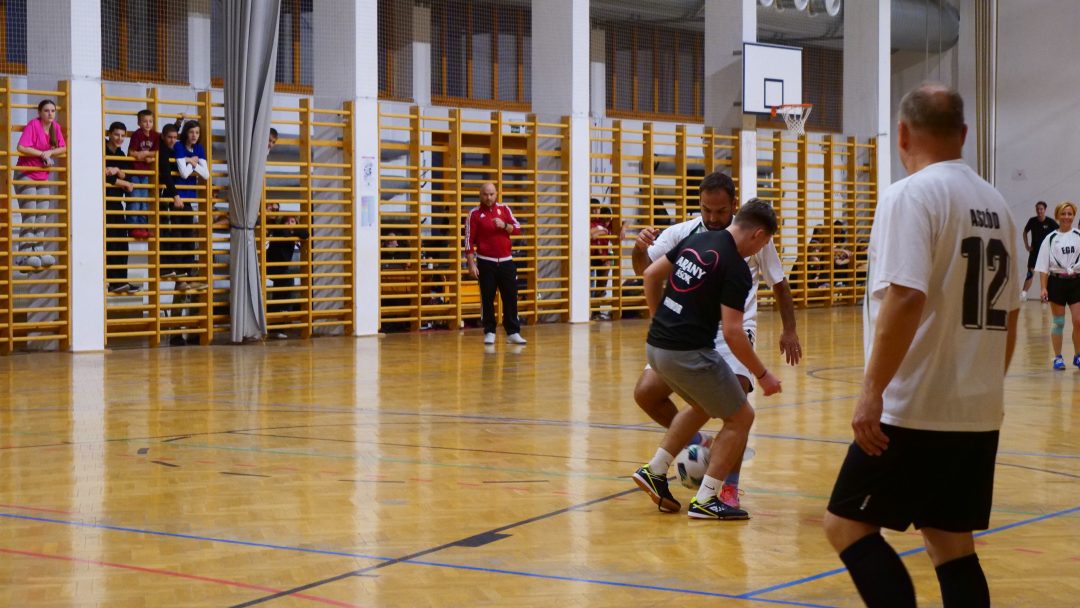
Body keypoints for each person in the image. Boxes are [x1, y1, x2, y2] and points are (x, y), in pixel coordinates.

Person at [823, 83, 1020, 608]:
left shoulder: (911, 194)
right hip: (976, 411)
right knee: (950, 543)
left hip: (914, 409)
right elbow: (1011, 316)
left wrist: (872, 391)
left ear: (903, 134)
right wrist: (984, 390)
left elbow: (906, 296)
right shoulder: (998, 204)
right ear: (964, 134)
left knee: (846, 526)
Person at [631, 172, 802, 511]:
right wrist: (764, 374)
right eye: (706, 210)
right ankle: (706, 491)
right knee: (737, 414)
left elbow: (652, 275)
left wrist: (659, 319)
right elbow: (645, 269)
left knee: (714, 400)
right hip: (696, 339)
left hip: (676, 336)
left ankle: (692, 478)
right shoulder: (718, 254)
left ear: (734, 207)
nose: (712, 217)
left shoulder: (710, 242)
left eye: (720, 211)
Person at [465, 182, 526, 345]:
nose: (489, 197)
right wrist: (471, 264)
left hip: (506, 261)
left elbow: (518, 229)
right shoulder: (474, 214)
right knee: (487, 298)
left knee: (511, 297)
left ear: (496, 194)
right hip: (486, 263)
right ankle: (489, 331)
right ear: (480, 195)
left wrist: (505, 225)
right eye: (485, 194)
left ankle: (513, 332)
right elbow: (468, 241)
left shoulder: (505, 209)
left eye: (491, 194)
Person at [14, 99, 66, 270]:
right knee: (30, 215)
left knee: (42, 215)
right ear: (39, 113)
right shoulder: (33, 125)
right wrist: (42, 154)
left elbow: (63, 147)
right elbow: (21, 147)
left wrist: (50, 152)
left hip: (42, 177)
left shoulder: (55, 127)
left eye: (52, 110)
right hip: (26, 174)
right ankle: (24, 255)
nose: (50, 114)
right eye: (46, 110)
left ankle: (38, 250)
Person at [1034, 201, 1080, 370]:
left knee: (1078, 321)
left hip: (1076, 282)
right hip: (1057, 282)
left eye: (1070, 214)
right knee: (1059, 322)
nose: (1066, 217)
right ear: (1057, 216)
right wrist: (1043, 288)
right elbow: (1043, 266)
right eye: (1063, 213)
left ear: (1074, 216)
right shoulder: (1050, 239)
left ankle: (1078, 355)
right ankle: (1058, 357)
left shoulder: (1078, 236)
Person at [170, 120, 210, 292]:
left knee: (189, 239)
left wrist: (191, 162)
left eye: (197, 132)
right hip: (177, 198)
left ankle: (188, 276)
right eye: (192, 132)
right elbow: (184, 174)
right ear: (186, 132)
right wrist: (193, 163)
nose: (194, 135)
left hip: (190, 199)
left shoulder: (199, 149)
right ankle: (180, 279)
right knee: (179, 238)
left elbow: (206, 175)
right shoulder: (179, 146)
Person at [105, 121, 137, 294]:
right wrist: (123, 182)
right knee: (110, 243)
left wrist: (117, 170)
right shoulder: (101, 149)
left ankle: (121, 280)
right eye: (116, 134)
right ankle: (111, 280)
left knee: (122, 243)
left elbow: (128, 176)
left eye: (123, 135)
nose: (119, 138)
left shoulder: (121, 154)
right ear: (110, 134)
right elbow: (104, 176)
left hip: (117, 203)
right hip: (105, 203)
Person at [590, 202, 625, 320]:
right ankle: (589, 312)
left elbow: (626, 222)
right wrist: (600, 230)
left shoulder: (609, 224)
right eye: (593, 209)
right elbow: (592, 235)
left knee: (601, 287)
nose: (607, 222)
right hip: (591, 257)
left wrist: (623, 229)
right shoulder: (594, 223)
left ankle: (596, 312)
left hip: (604, 258)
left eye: (597, 209)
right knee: (590, 286)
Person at [1023, 201, 1059, 299]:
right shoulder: (1032, 221)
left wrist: (1055, 247)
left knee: (1044, 274)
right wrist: (1027, 246)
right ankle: (1023, 295)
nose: (1039, 211)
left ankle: (1045, 296)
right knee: (1030, 273)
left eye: (1041, 209)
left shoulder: (1050, 222)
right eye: (1037, 209)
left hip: (1046, 253)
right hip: (1034, 252)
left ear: (1045, 210)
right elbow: (1025, 232)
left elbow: (1059, 233)